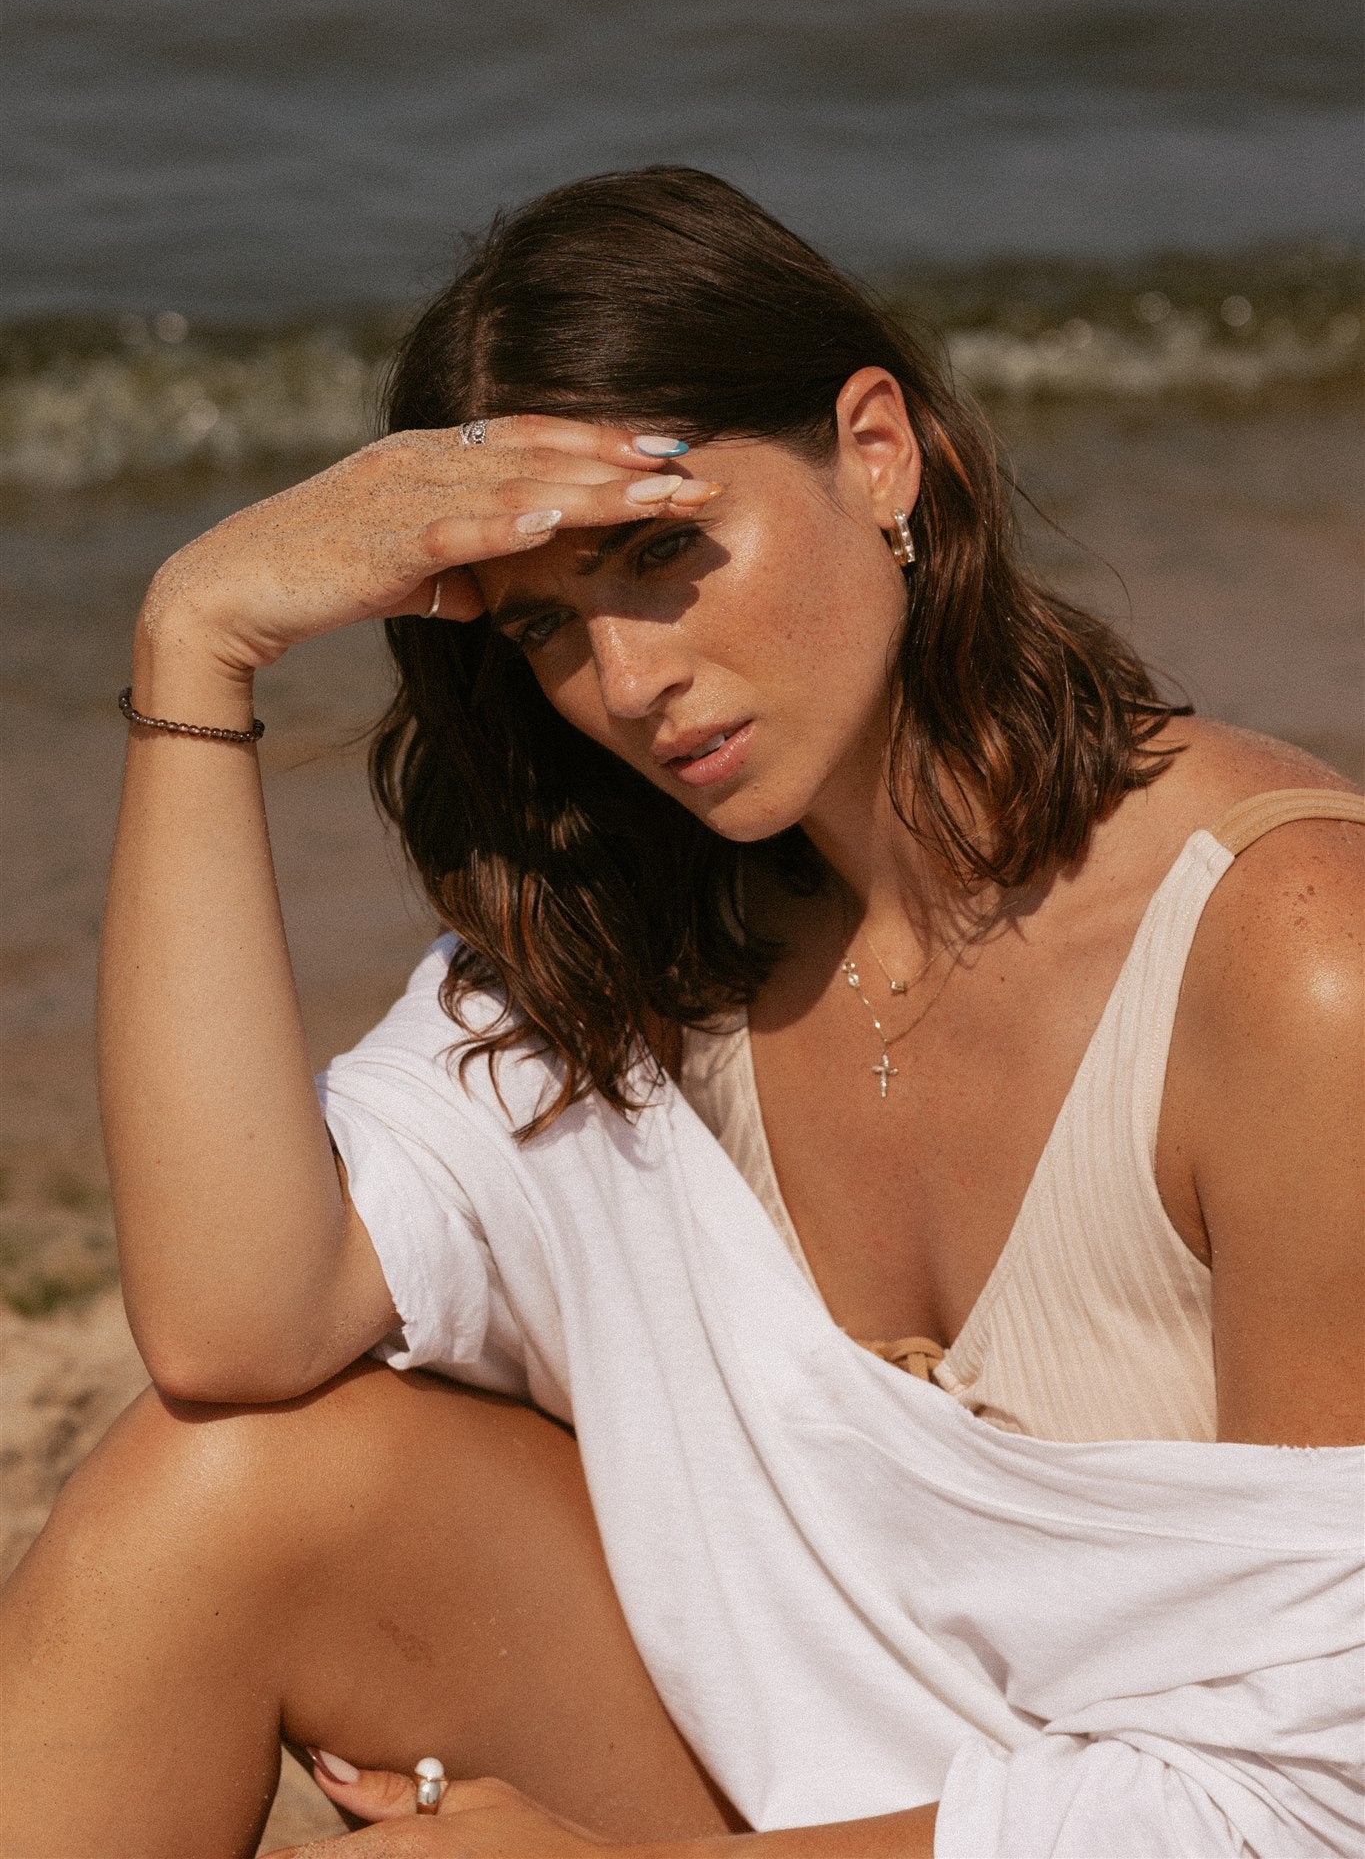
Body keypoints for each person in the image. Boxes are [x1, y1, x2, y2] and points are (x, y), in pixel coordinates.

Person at [2, 168, 1361, 1859]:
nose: (629, 681)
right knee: (224, 1484)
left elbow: (1329, 1797)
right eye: (546, 625)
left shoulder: (1293, 961)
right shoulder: (634, 947)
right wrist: (196, 643)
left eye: (663, 553)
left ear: (876, 453)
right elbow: (235, 1325)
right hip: (817, 1803)